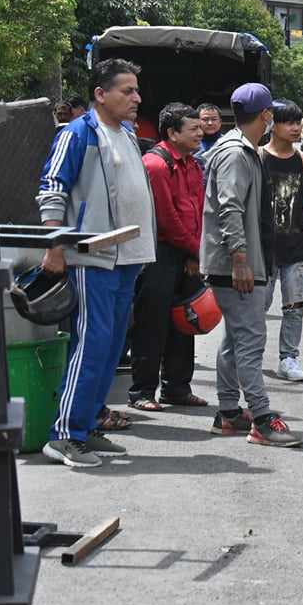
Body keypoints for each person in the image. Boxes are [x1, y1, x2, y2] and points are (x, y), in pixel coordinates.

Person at [36, 58, 159, 468]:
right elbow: (52, 187)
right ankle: (65, 435)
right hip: (92, 257)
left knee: (109, 349)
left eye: (137, 90)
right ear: (100, 94)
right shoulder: (79, 133)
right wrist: (55, 243)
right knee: (90, 345)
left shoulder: (124, 133)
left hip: (126, 258)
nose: (136, 98)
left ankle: (87, 427)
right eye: (128, 90)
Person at [201, 83, 302, 447]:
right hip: (237, 266)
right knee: (251, 342)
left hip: (245, 262)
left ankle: (228, 414)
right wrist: (240, 259)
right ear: (265, 116)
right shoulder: (235, 154)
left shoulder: (246, 151)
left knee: (234, 340)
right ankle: (261, 418)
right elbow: (230, 208)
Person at [127, 103, 208, 413]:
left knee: (182, 321)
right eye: (194, 129)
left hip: (187, 252)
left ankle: (177, 387)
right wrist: (195, 250)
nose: (200, 133)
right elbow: (166, 219)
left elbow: (197, 210)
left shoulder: (193, 164)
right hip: (158, 253)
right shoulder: (156, 165)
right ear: (173, 133)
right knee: (151, 323)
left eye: (200, 128)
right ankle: (142, 391)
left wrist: (195, 251)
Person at [260, 99, 303, 383]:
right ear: (272, 125)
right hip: (263, 250)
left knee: (294, 307)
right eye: (288, 122)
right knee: (256, 309)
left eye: (297, 122)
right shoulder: (256, 157)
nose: (296, 128)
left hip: (297, 248)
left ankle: (288, 358)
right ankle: (249, 358)